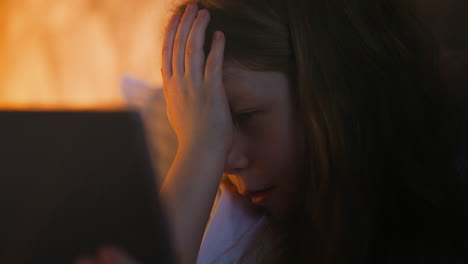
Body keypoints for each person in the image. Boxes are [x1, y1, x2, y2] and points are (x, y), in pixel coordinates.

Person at [76, 0, 468, 263]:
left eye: (244, 116)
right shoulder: (241, 224)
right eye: (200, 130)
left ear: (335, 89)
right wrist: (196, 150)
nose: (223, 161)